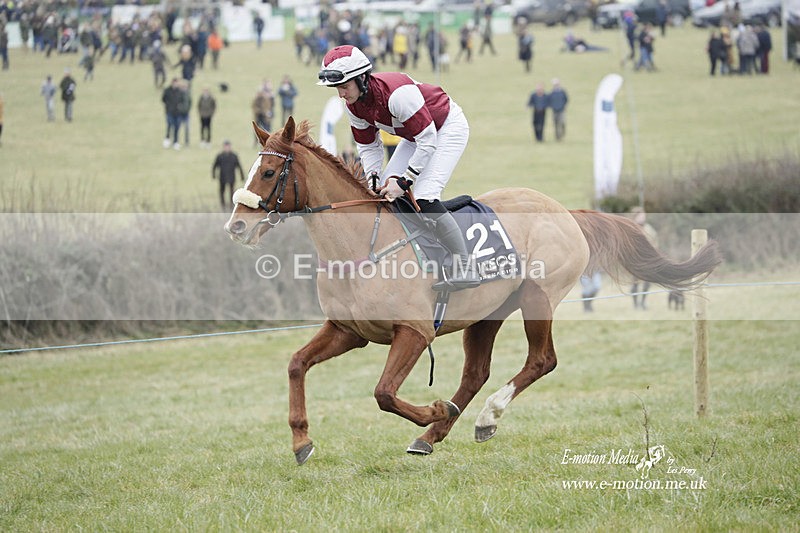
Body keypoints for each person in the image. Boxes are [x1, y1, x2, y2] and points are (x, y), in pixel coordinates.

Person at [317, 45, 479, 290]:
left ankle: (466, 267)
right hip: (415, 136)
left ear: (361, 78)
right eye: (336, 88)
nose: (340, 94)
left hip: (445, 129)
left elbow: (428, 141)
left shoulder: (397, 95)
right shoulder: (354, 104)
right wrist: (373, 179)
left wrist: (404, 181)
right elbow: (369, 146)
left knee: (424, 195)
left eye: (344, 86)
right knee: (384, 193)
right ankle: (417, 246)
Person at [629, 207, 658, 310]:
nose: (642, 218)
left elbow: (655, 242)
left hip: (647, 259)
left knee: (647, 282)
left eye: (643, 216)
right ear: (635, 217)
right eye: (640, 216)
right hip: (635, 259)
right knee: (635, 282)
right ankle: (635, 304)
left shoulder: (649, 228)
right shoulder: (631, 228)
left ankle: (643, 302)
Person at [212, 140, 245, 208]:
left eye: (228, 146)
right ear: (223, 147)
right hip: (222, 177)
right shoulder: (220, 156)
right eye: (226, 146)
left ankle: (231, 204)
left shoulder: (234, 156)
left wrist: (242, 176)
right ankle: (223, 204)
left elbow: (239, 166)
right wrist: (214, 175)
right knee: (222, 191)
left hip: (231, 176)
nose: (227, 148)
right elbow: (215, 166)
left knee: (232, 191)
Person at [161, 77, 182, 149]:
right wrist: (168, 105)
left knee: (177, 127)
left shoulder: (179, 91)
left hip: (178, 112)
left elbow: (182, 100)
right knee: (169, 125)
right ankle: (167, 139)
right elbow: (163, 99)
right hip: (169, 111)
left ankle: (176, 142)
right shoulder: (167, 90)